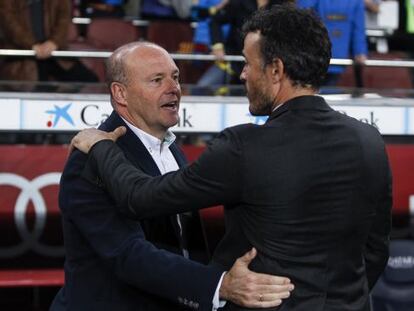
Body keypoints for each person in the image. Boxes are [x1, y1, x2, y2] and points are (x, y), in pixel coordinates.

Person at [72, 5, 392, 310]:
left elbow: (138, 198)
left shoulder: (244, 146)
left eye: (248, 63)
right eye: (157, 80)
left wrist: (100, 146)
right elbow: (375, 251)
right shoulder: (369, 141)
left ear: (276, 70)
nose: (242, 75)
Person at [51, 41, 293, 310]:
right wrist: (219, 285)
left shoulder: (172, 150)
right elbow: (127, 255)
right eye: (157, 80)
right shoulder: (90, 156)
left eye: (175, 77)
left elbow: (186, 244)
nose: (173, 88)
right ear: (120, 93)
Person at [0, 0, 97, 83]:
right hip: (22, 55)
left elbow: (64, 18)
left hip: (54, 53)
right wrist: (32, 45)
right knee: (34, 86)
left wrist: (54, 42)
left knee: (90, 80)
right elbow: (10, 25)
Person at [297, 0, 368, 86]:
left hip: (324, 59)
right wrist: (359, 51)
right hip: (315, 59)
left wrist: (360, 51)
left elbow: (358, 28)